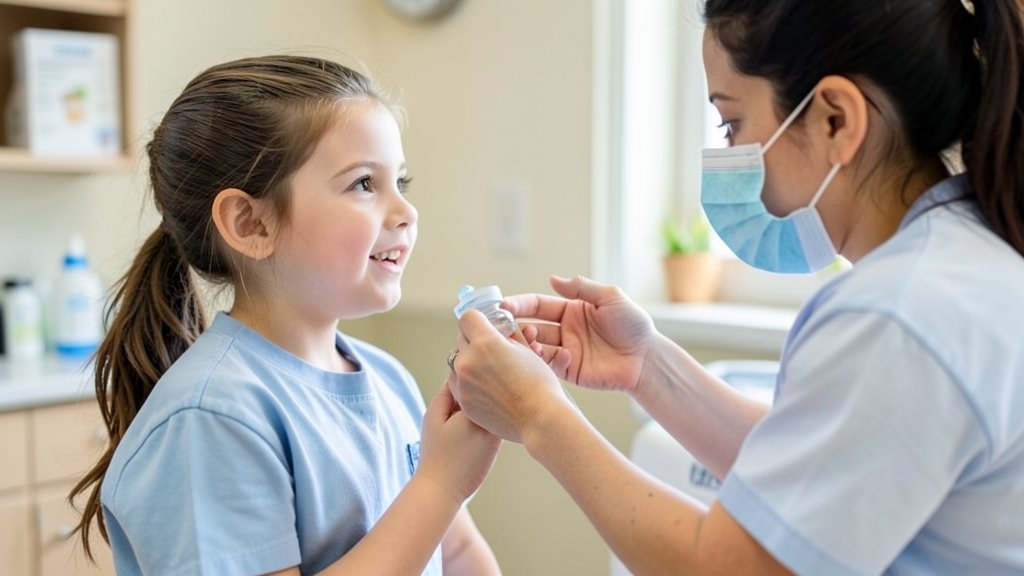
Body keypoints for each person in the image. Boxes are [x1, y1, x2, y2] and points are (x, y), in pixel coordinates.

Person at [447, 0, 1024, 574]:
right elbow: (817, 476)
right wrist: (647, 367)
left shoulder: (896, 316)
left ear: (835, 120)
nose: (727, 156)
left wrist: (539, 415)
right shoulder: (960, 262)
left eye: (732, 124)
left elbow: (731, 567)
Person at [69, 55, 502, 576]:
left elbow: (456, 553)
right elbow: (435, 504)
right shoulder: (210, 418)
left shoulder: (391, 381)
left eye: (401, 184)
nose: (406, 212)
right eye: (364, 183)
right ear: (250, 222)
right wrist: (442, 482)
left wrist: (444, 485)